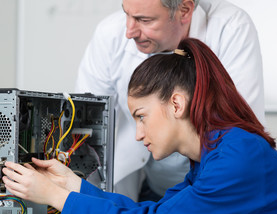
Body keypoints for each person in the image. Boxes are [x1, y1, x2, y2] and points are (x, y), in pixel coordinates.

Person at [3, 38, 277, 214]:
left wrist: (57, 198)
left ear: (177, 104)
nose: (139, 134)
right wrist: (72, 186)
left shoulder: (235, 159)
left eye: (141, 116)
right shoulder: (213, 156)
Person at [75, 0, 266, 201]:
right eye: (126, 14)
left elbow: (239, 132)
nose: (129, 32)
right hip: (146, 185)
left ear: (184, 11)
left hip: (214, 186)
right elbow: (87, 122)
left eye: (144, 20)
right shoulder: (110, 33)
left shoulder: (231, 28)